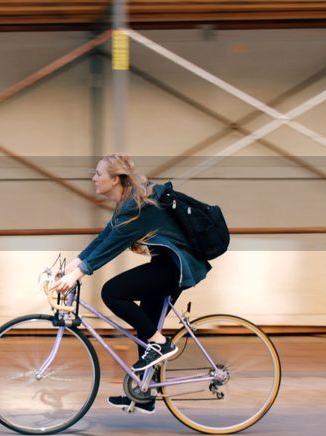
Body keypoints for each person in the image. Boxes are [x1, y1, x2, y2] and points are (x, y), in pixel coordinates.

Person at [52, 153, 209, 412]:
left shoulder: (137, 208)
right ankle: (144, 392)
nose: (93, 178)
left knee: (112, 292)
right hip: (166, 266)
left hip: (178, 268)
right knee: (144, 324)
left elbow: (111, 247)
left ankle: (161, 344)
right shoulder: (126, 205)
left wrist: (77, 275)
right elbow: (104, 238)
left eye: (99, 174)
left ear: (115, 179)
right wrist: (70, 267)